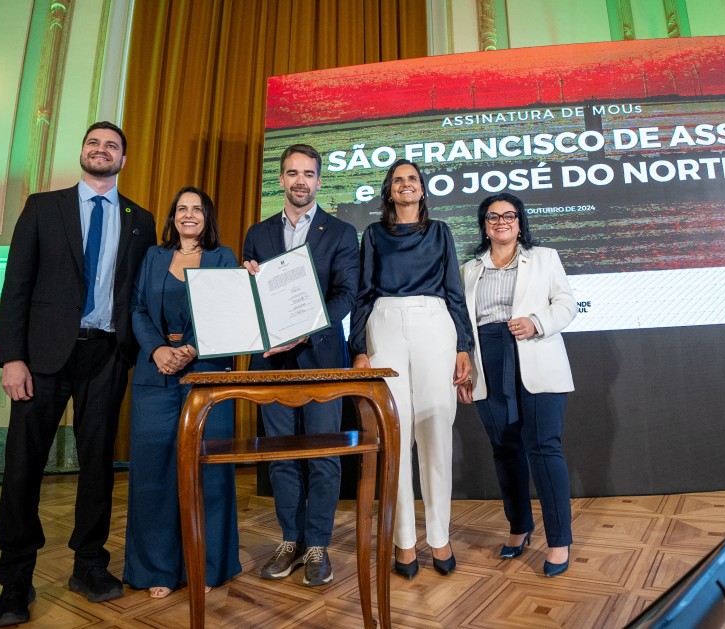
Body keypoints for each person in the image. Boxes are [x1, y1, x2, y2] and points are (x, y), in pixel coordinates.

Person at [0, 121, 156, 627]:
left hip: (106, 357)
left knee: (98, 467)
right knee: (23, 467)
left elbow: (141, 289)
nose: (102, 151)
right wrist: (11, 358)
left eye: (112, 146)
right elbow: (16, 284)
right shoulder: (44, 206)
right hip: (40, 358)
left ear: (123, 160)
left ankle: (89, 565)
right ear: (82, 152)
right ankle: (15, 580)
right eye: (94, 144)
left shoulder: (140, 219)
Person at [242, 144, 359, 586]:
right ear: (281, 179)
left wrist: (306, 329)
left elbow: (346, 294)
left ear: (319, 180)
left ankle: (317, 546)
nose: (300, 181)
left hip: (322, 360)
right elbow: (255, 298)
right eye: (292, 173)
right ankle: (290, 540)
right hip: (271, 363)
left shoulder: (342, 232)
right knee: (281, 458)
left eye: (308, 174)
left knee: (324, 458)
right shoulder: (258, 232)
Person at [350, 158, 473, 579]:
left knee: (436, 430)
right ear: (389, 191)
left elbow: (454, 292)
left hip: (434, 323)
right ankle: (404, 541)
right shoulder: (373, 234)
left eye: (413, 179)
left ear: (422, 190)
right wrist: (358, 350)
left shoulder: (440, 232)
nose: (406, 185)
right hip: (384, 325)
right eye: (398, 179)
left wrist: (464, 346)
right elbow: (363, 294)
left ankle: (439, 536)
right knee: (395, 432)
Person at [122, 186, 242, 597]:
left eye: (197, 209)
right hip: (155, 375)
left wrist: (190, 348)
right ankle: (157, 569)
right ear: (172, 216)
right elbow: (137, 309)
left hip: (206, 375)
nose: (188, 215)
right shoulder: (154, 257)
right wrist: (158, 350)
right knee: (154, 472)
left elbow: (227, 308)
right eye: (181, 209)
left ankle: (205, 567)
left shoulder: (223, 257)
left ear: (207, 217)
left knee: (207, 471)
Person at [457, 192, 577, 577]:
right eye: (493, 217)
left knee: (543, 448)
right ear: (484, 225)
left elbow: (567, 304)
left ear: (520, 223)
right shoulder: (467, 270)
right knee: (504, 449)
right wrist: (460, 369)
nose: (501, 222)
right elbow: (461, 325)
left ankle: (559, 542)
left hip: (535, 353)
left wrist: (537, 323)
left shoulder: (544, 258)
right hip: (486, 361)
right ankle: (519, 527)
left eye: (509, 216)